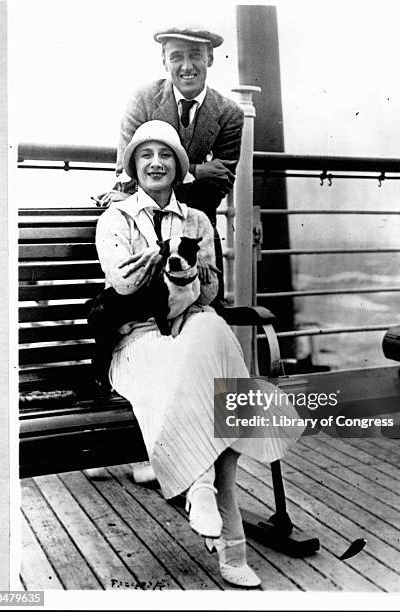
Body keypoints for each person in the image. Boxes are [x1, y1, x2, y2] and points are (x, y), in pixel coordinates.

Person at [92, 120, 298, 588]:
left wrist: (189, 275)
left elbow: (210, 294)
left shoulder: (197, 221)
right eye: (145, 156)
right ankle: (231, 544)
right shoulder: (117, 219)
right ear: (133, 166)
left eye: (165, 156)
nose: (156, 163)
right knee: (216, 387)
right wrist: (153, 266)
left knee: (213, 331)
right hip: (137, 340)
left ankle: (201, 488)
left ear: (179, 167)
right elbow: (121, 285)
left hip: (187, 327)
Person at [95, 23, 244, 302]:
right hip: (143, 236)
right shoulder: (143, 100)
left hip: (196, 236)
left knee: (207, 312)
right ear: (164, 60)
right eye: (176, 57)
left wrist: (158, 183)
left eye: (195, 55)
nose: (186, 66)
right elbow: (127, 174)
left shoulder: (228, 114)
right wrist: (196, 170)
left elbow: (216, 187)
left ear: (209, 58)